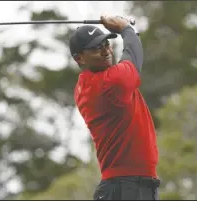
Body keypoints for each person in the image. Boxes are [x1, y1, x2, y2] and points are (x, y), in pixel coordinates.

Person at [69, 15, 160, 200]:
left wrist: (126, 30)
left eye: (106, 44)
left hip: (129, 186)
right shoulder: (111, 83)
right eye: (95, 48)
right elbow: (133, 54)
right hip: (126, 188)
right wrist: (125, 28)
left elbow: (127, 58)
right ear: (80, 58)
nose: (105, 51)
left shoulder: (85, 84)